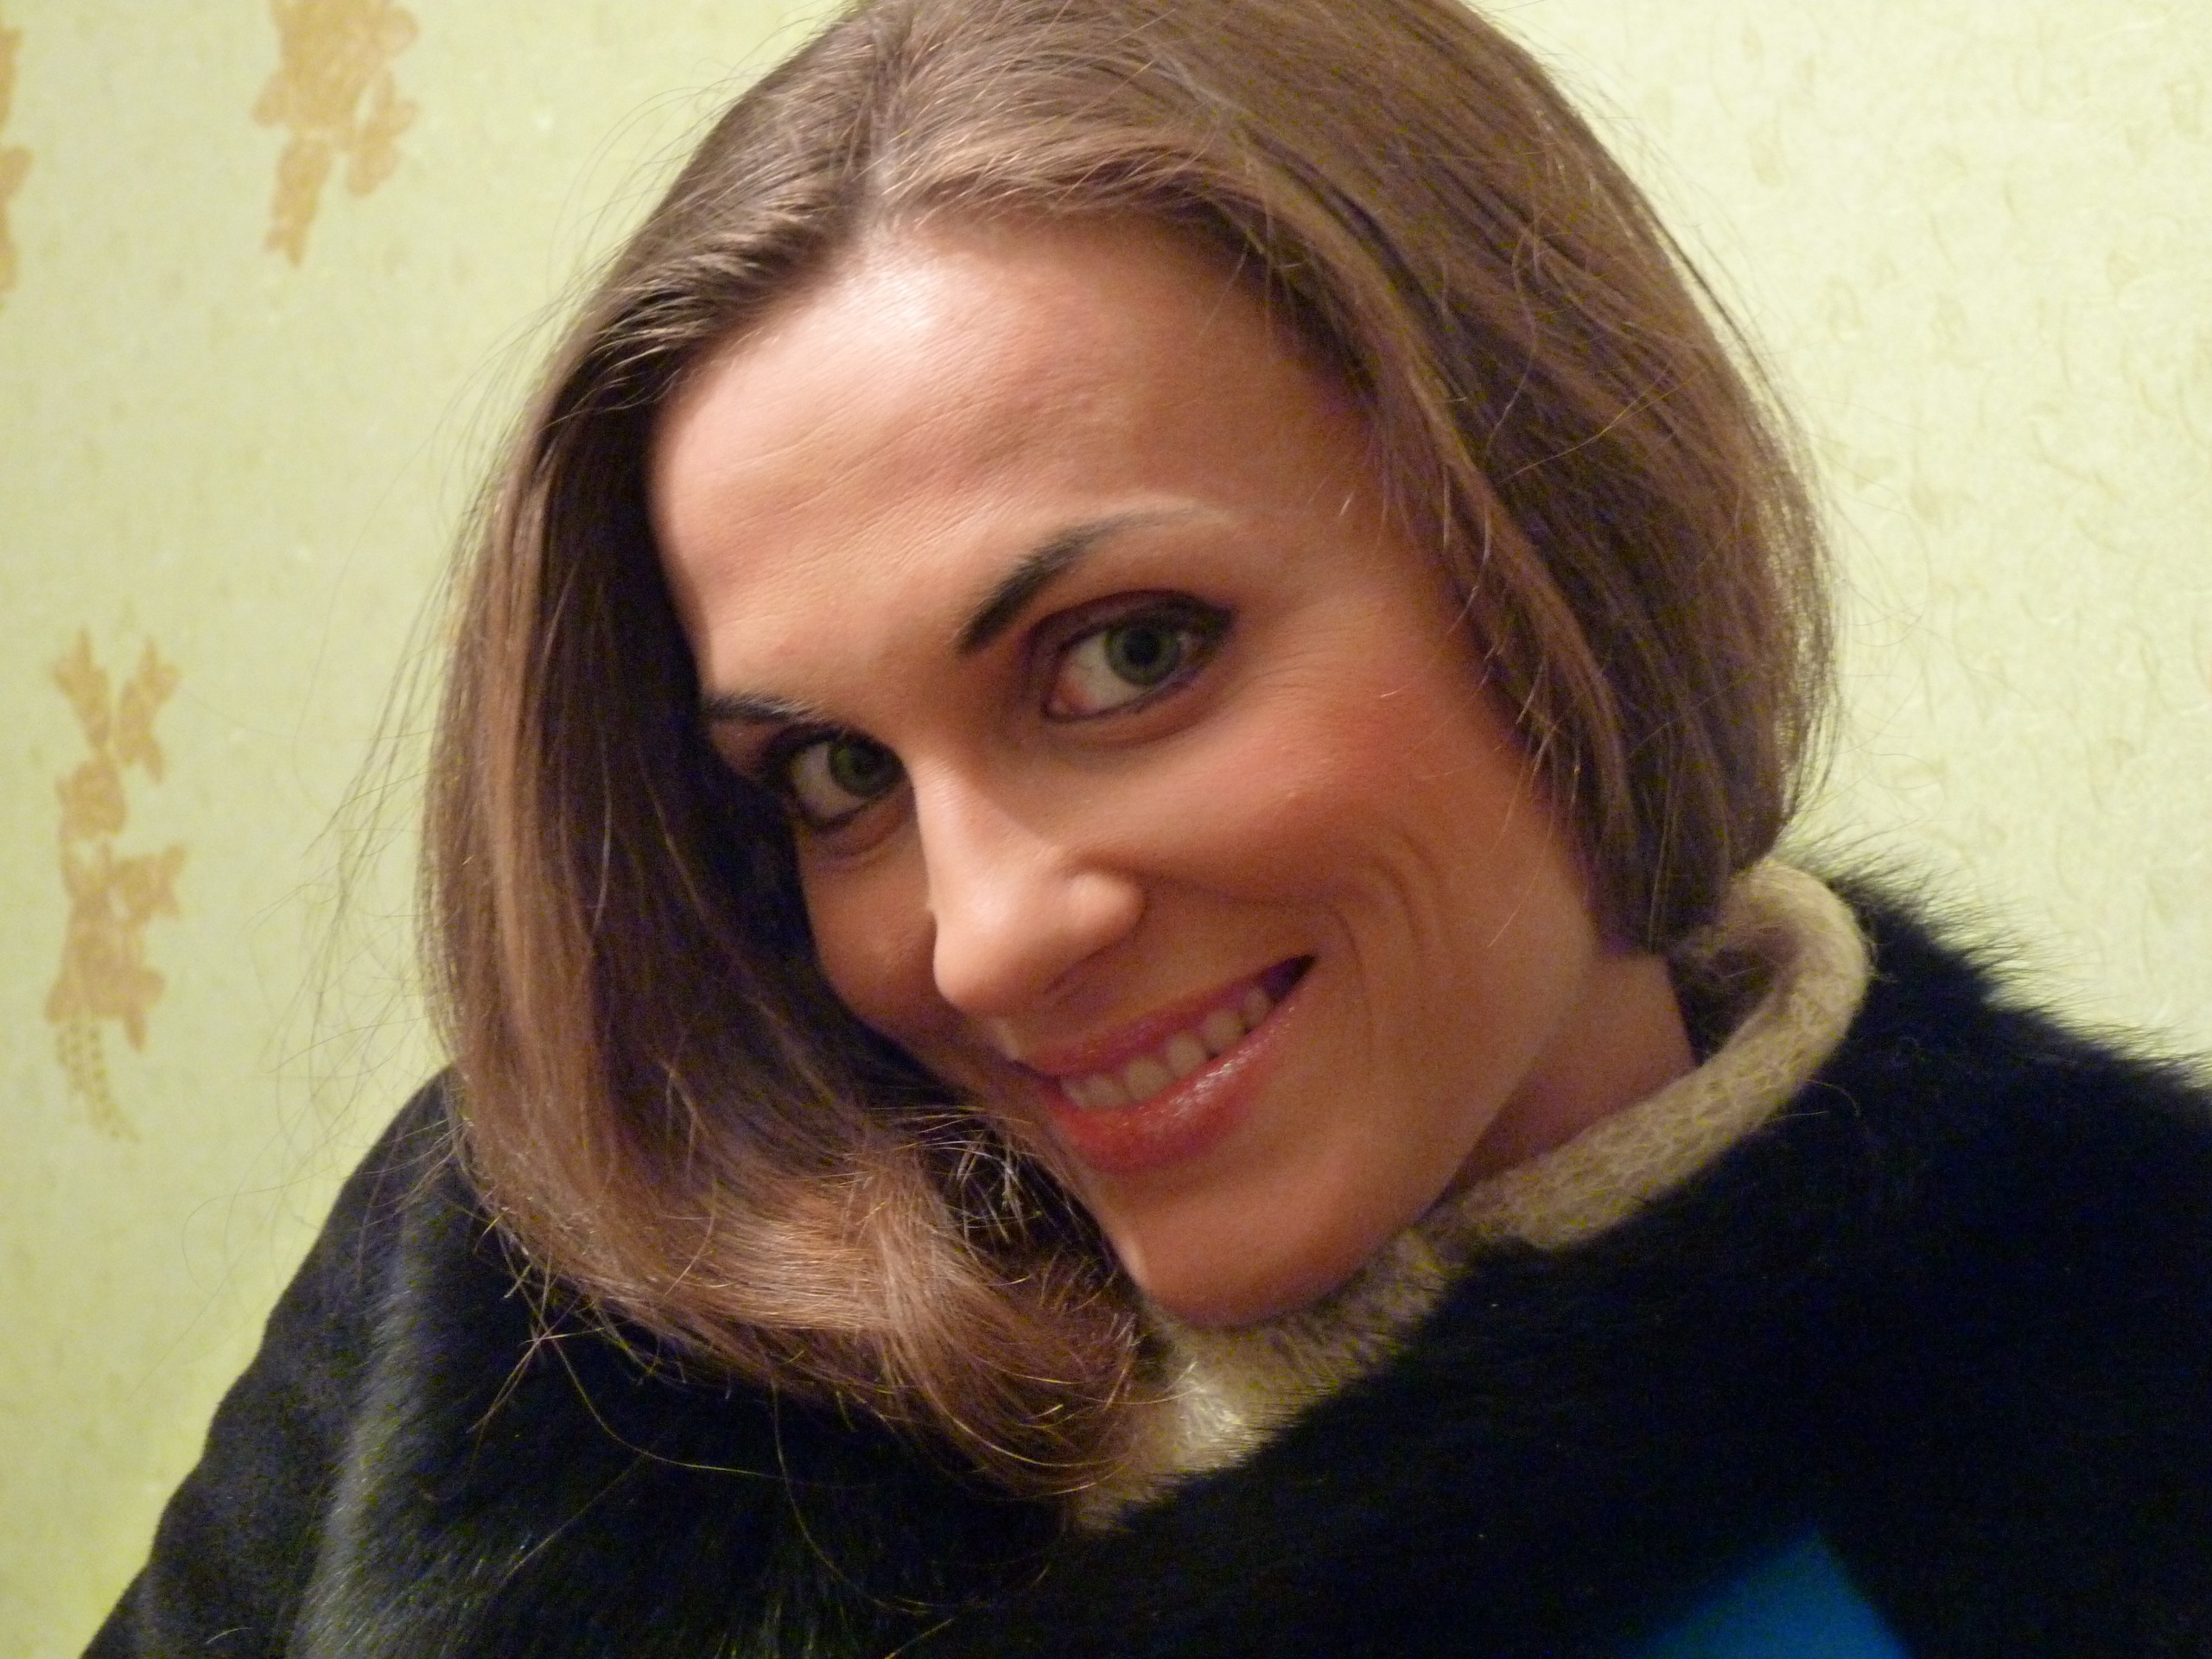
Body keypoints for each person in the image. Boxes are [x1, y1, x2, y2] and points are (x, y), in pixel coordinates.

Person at [89, 0, 2212, 1655]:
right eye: (835, 776)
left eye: (1126, 655)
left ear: (1562, 547)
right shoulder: (547, 1265)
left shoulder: (2123, 1391)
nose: (980, 941)